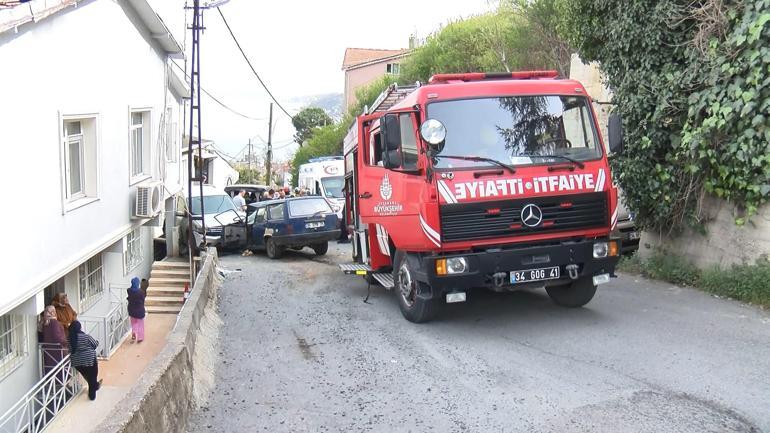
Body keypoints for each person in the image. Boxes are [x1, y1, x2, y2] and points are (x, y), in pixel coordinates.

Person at [68, 320, 100, 401]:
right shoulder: (86, 337)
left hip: (77, 362)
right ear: (80, 328)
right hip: (89, 359)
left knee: (89, 376)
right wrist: (97, 342)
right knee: (93, 376)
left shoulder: (70, 339)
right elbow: (95, 345)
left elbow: (69, 349)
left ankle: (95, 385)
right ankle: (92, 396)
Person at [40, 305, 68, 374]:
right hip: (57, 350)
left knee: (53, 369)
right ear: (53, 312)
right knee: (60, 370)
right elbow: (57, 337)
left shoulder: (45, 323)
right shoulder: (54, 323)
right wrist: (65, 342)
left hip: (49, 350)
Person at [127, 277, 146, 343]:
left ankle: (134, 332)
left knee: (133, 322)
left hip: (131, 310)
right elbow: (143, 300)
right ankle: (140, 337)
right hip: (139, 310)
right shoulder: (141, 292)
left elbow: (129, 297)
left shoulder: (129, 290)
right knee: (140, 323)